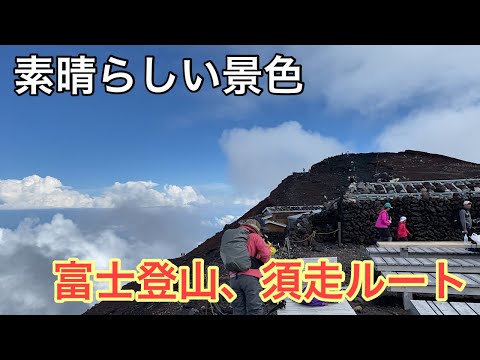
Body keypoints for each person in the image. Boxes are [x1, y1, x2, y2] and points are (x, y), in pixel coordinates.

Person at [230, 218, 271, 315]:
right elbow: (266, 255)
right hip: (250, 277)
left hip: (233, 278)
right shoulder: (255, 237)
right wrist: (260, 260)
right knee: (254, 308)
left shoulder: (235, 238)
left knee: (238, 309)